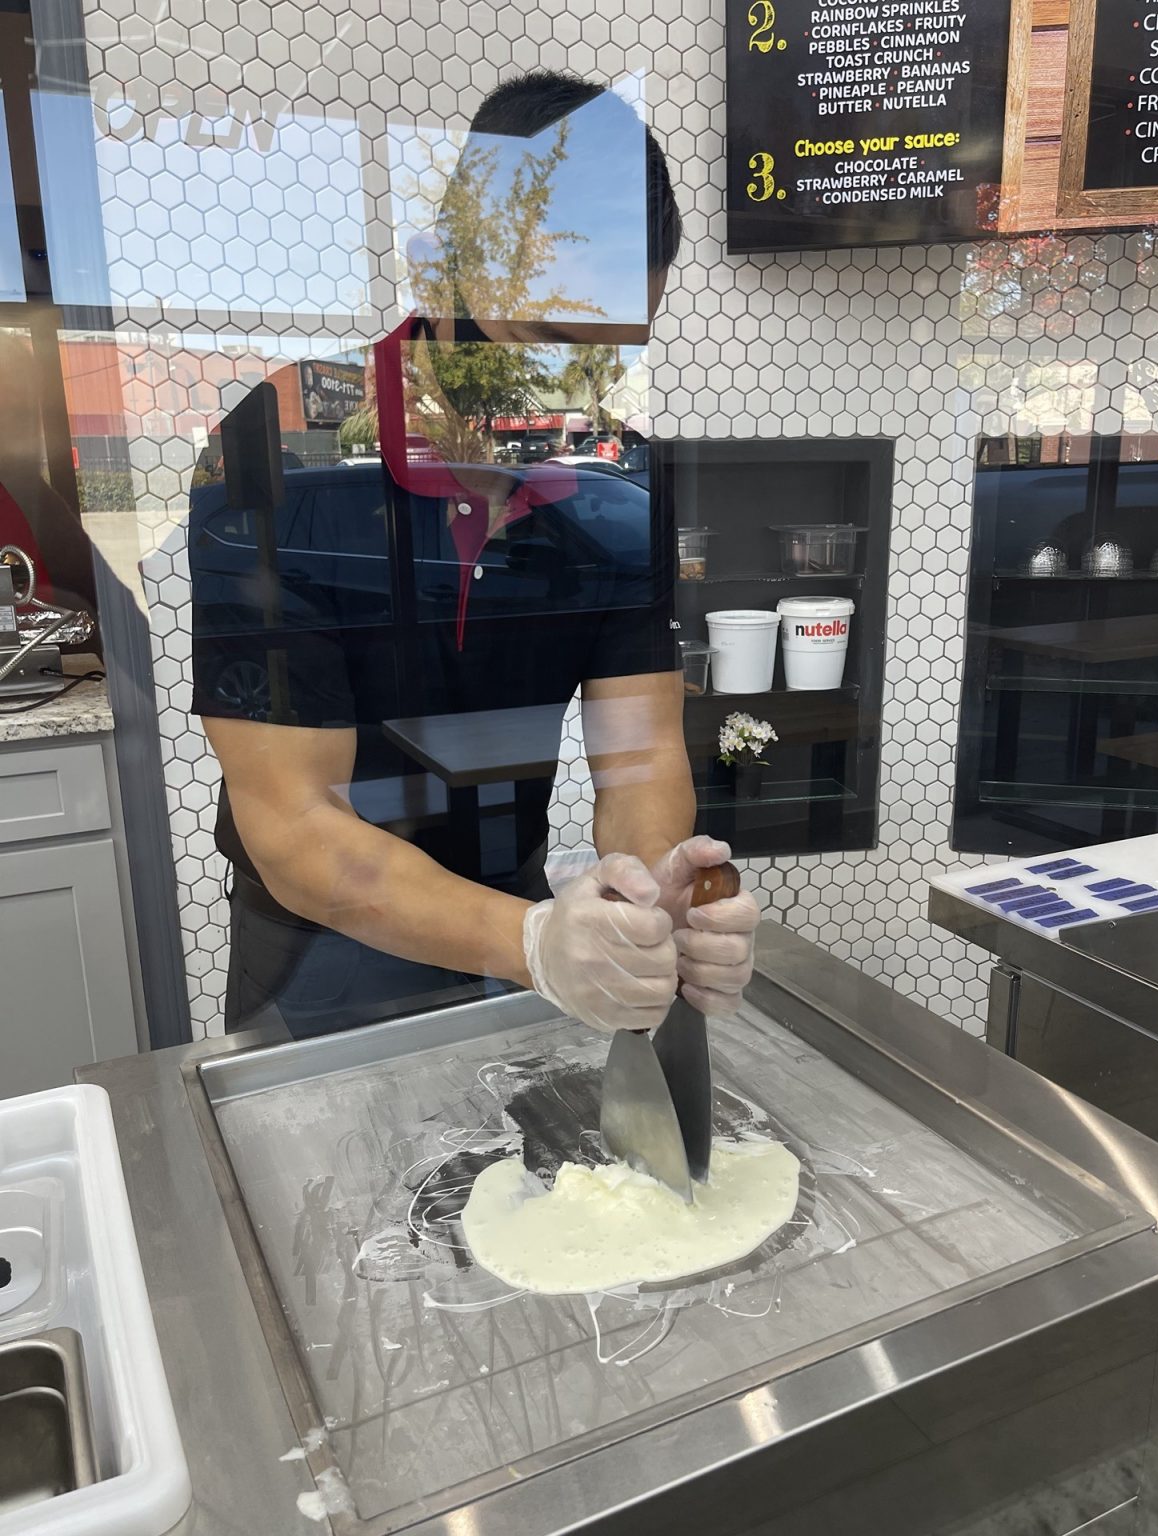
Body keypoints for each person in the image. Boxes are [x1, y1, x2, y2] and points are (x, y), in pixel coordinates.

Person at [190, 70, 759, 1040]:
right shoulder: (282, 451)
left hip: (514, 906)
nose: (569, 390)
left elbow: (641, 758)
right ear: (435, 267)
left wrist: (655, 897)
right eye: (542, 338)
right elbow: (292, 823)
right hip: (320, 948)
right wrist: (534, 943)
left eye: (607, 350)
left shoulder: (616, 479)